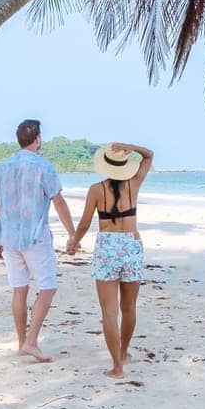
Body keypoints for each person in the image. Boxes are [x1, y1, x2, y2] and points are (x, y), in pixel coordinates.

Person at [0, 119, 76, 363]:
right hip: (35, 237)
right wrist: (72, 233)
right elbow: (58, 201)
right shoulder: (43, 167)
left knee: (19, 289)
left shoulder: (2, 166)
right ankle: (31, 341)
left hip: (8, 237)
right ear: (37, 139)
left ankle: (21, 343)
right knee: (47, 287)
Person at [67, 141, 153, 379]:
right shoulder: (133, 183)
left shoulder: (96, 190)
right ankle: (124, 352)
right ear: (125, 165)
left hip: (107, 245)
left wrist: (74, 241)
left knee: (109, 312)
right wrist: (130, 146)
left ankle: (117, 367)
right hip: (131, 244)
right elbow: (149, 155)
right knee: (129, 308)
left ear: (105, 166)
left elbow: (84, 223)